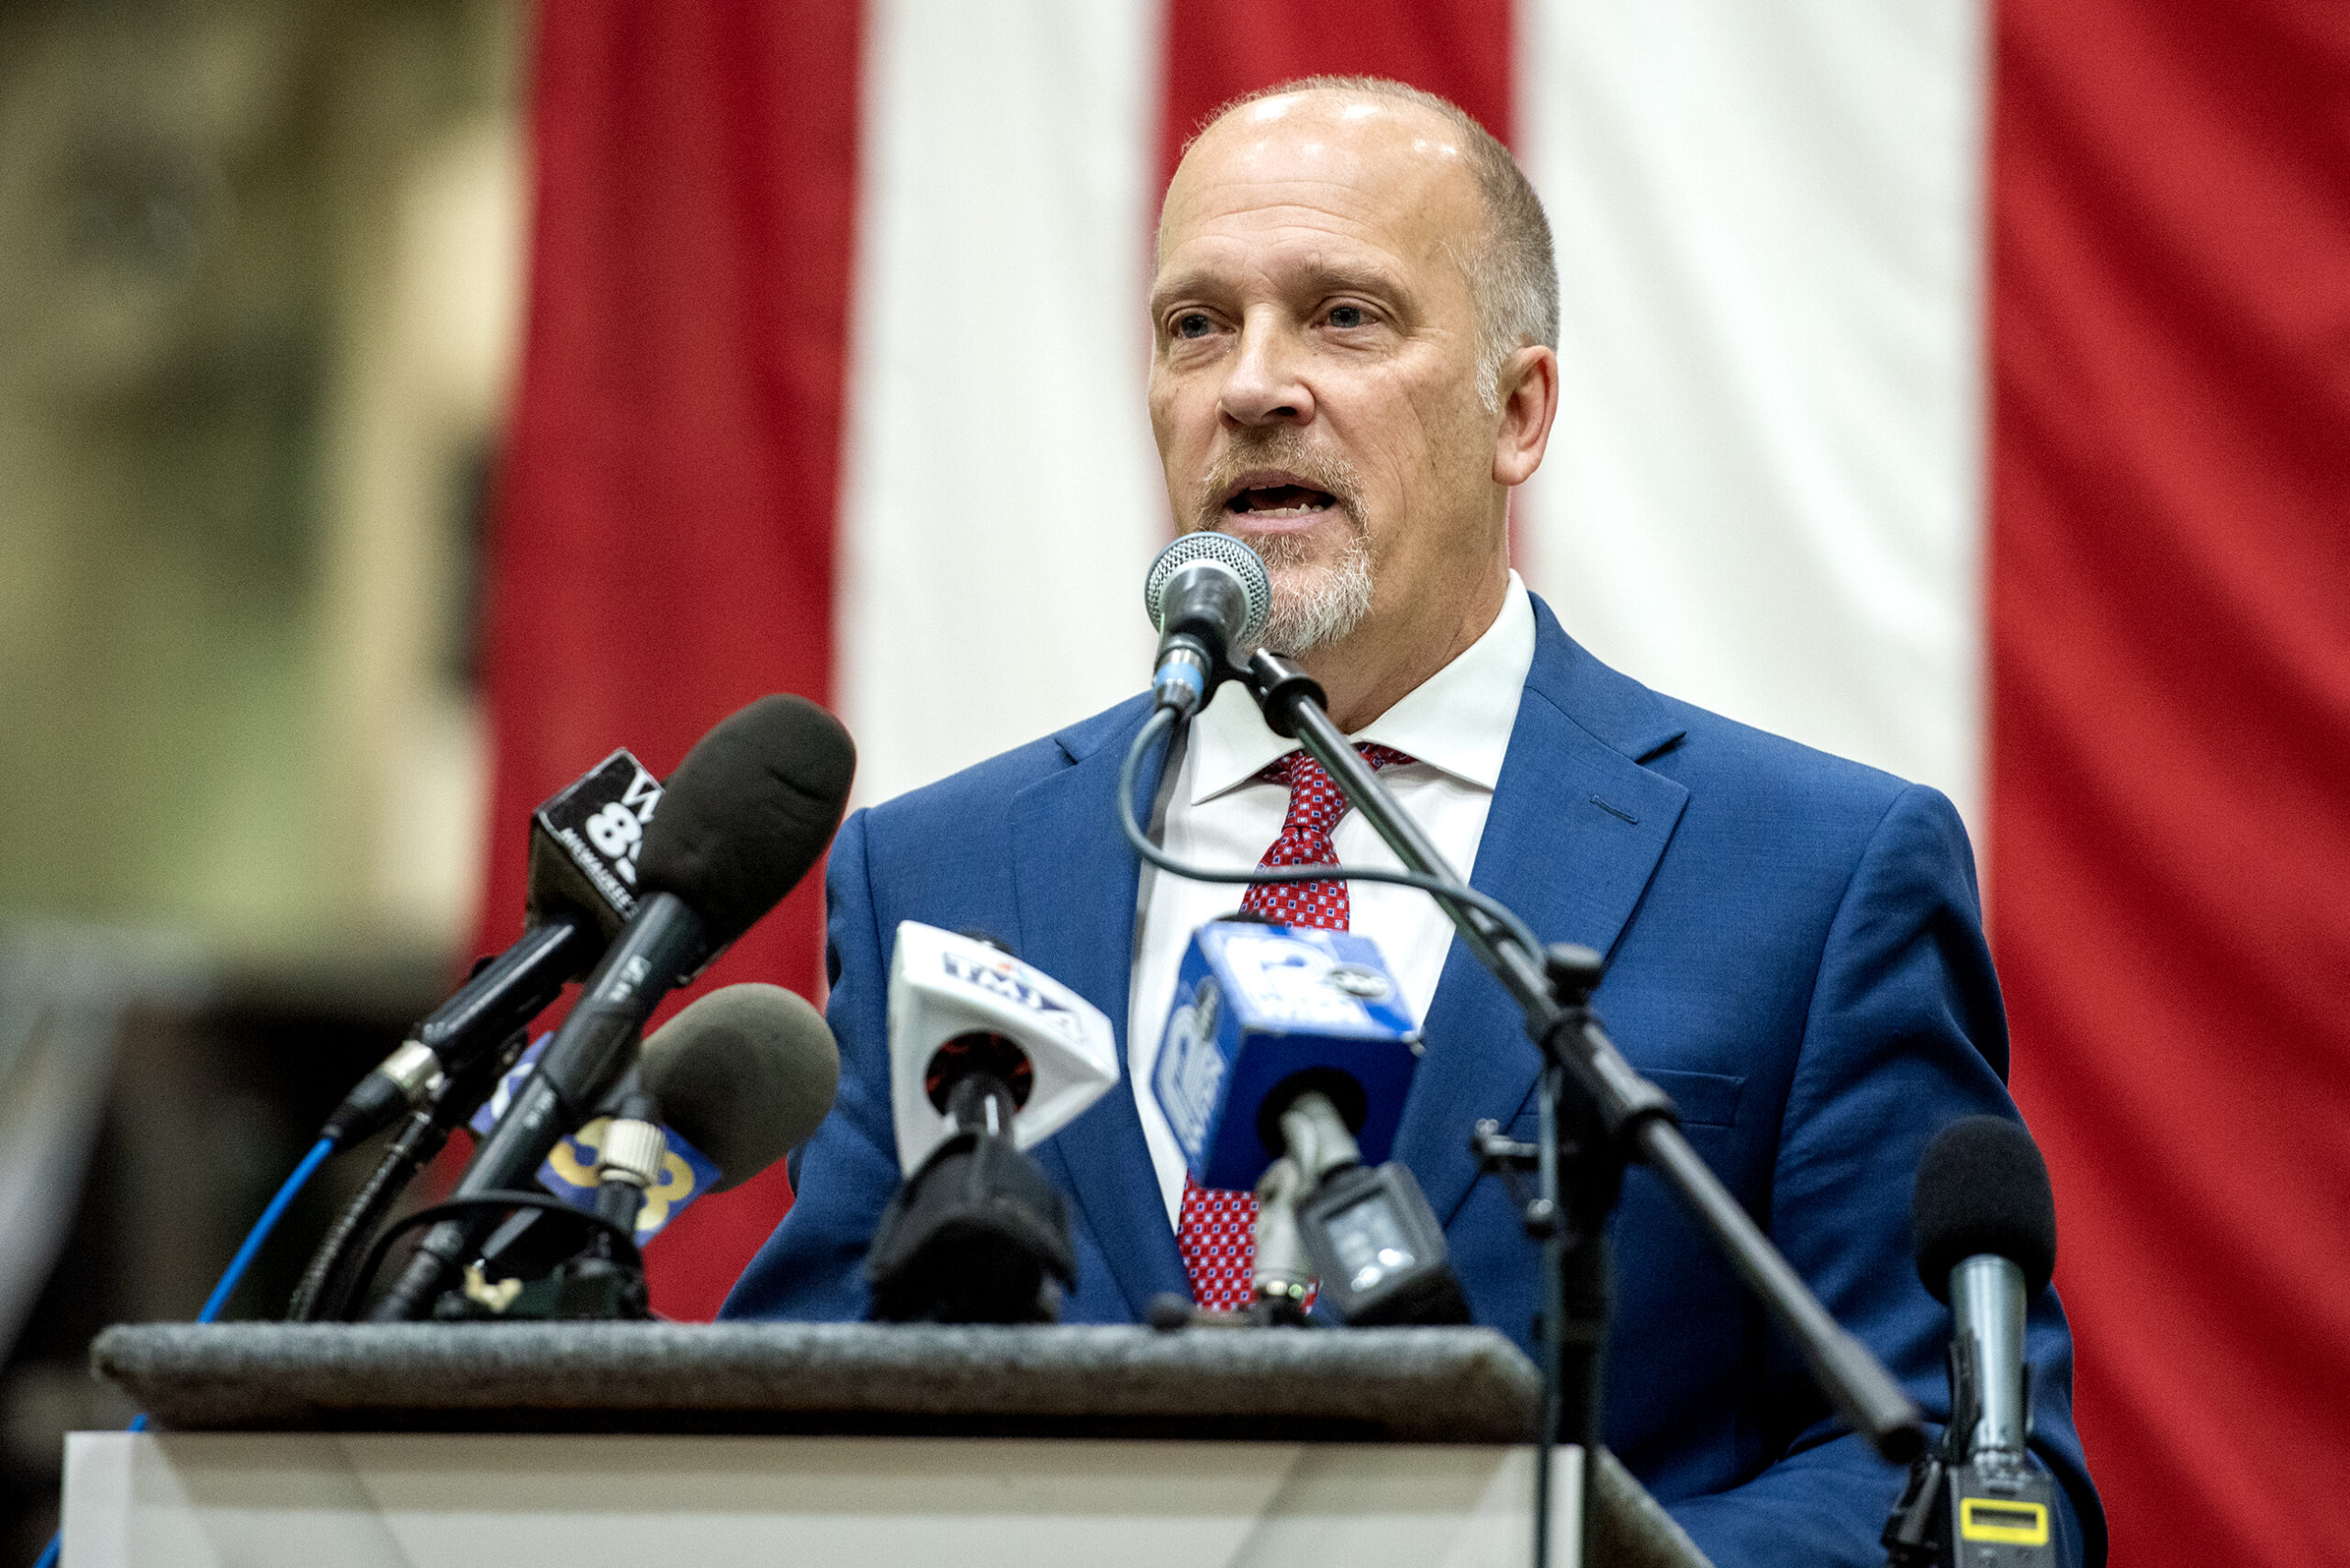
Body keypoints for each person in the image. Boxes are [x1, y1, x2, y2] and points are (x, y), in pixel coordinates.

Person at [723, 77, 2103, 1566]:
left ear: (1519, 412)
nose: (1251, 384)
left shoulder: (1814, 877)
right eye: (1197, 325)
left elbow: (1957, 1476)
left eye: (1345, 317)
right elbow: (815, 1413)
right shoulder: (942, 872)